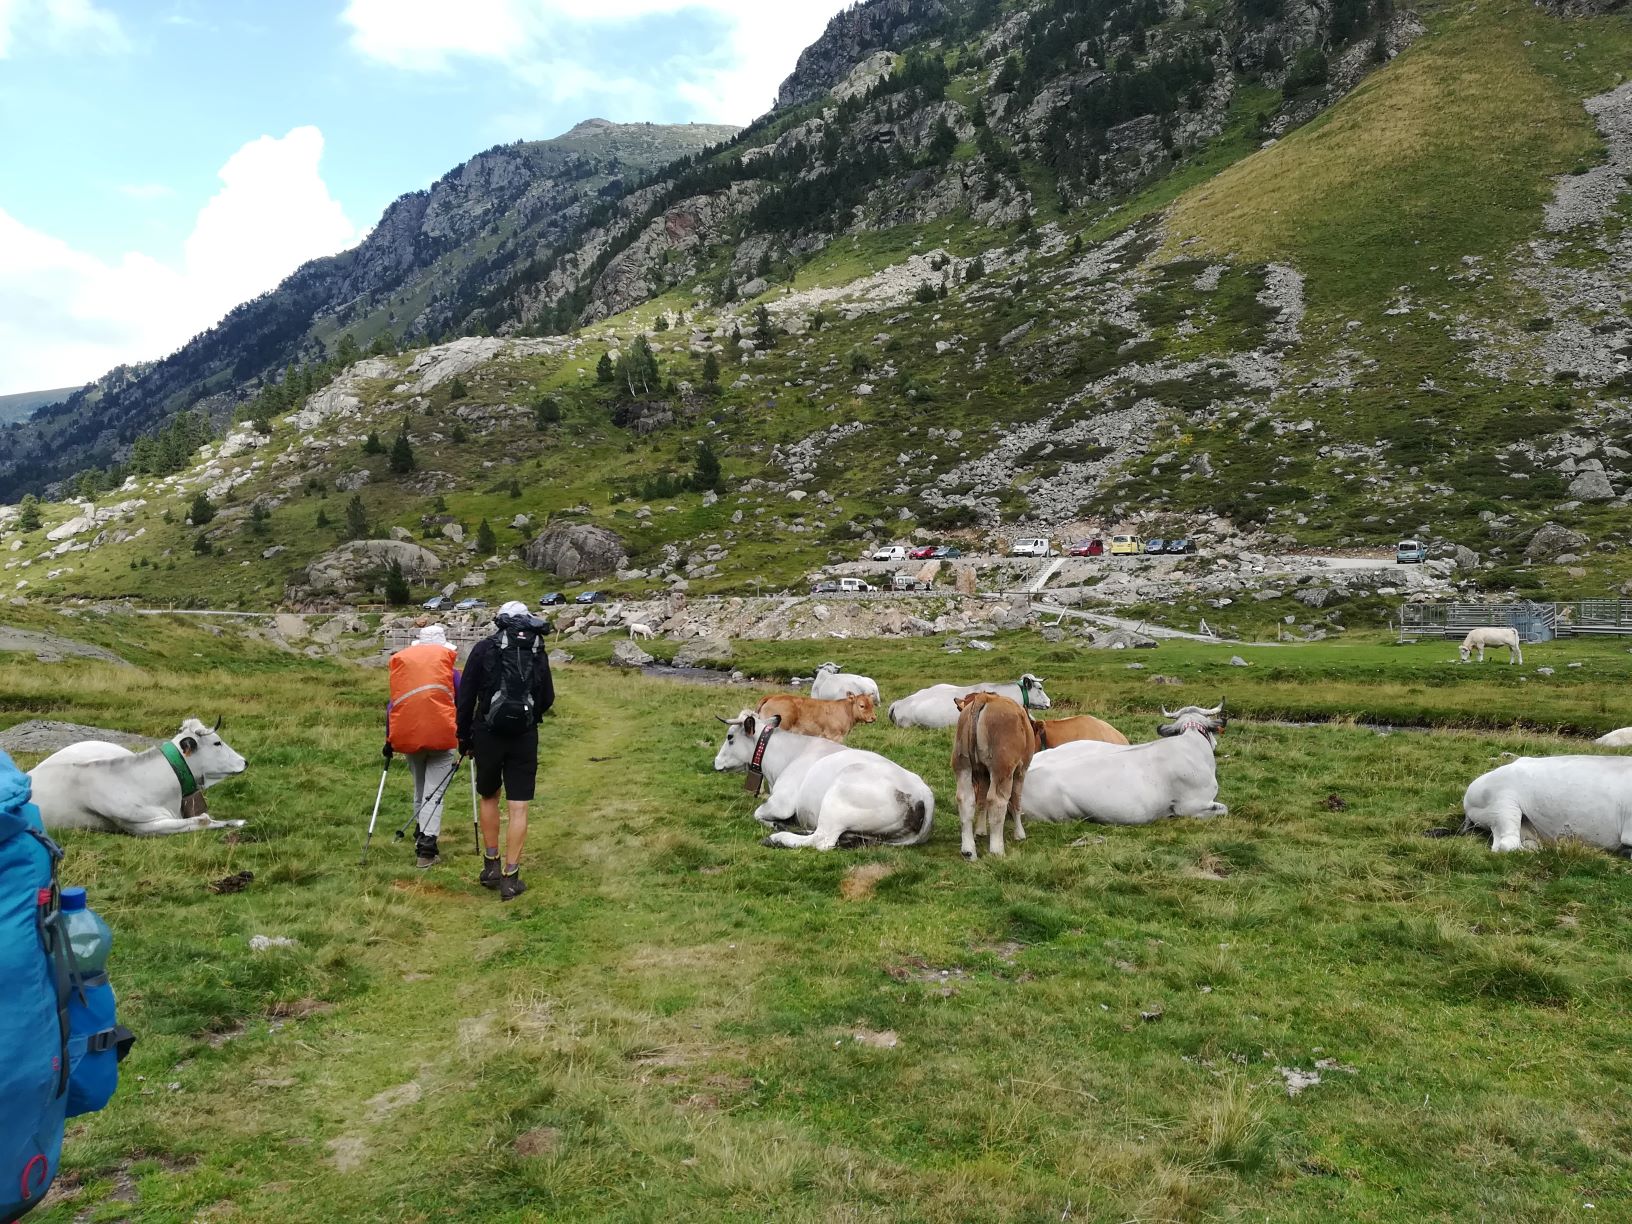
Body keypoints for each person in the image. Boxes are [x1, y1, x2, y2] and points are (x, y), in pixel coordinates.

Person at [456, 600, 554, 901]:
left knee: (489, 796)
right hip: (524, 735)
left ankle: (491, 866)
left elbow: (466, 696)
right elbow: (547, 697)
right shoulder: (537, 649)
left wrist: (465, 737)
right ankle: (511, 879)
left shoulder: (485, 647)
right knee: (518, 806)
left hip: (487, 732)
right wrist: (528, 716)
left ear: (501, 620)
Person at [387, 623, 462, 869]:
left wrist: (390, 739)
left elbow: (394, 706)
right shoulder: (451, 673)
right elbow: (463, 704)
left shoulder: (406, 673)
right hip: (441, 738)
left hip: (409, 737)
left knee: (420, 790)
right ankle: (427, 849)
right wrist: (467, 737)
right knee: (435, 793)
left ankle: (421, 833)